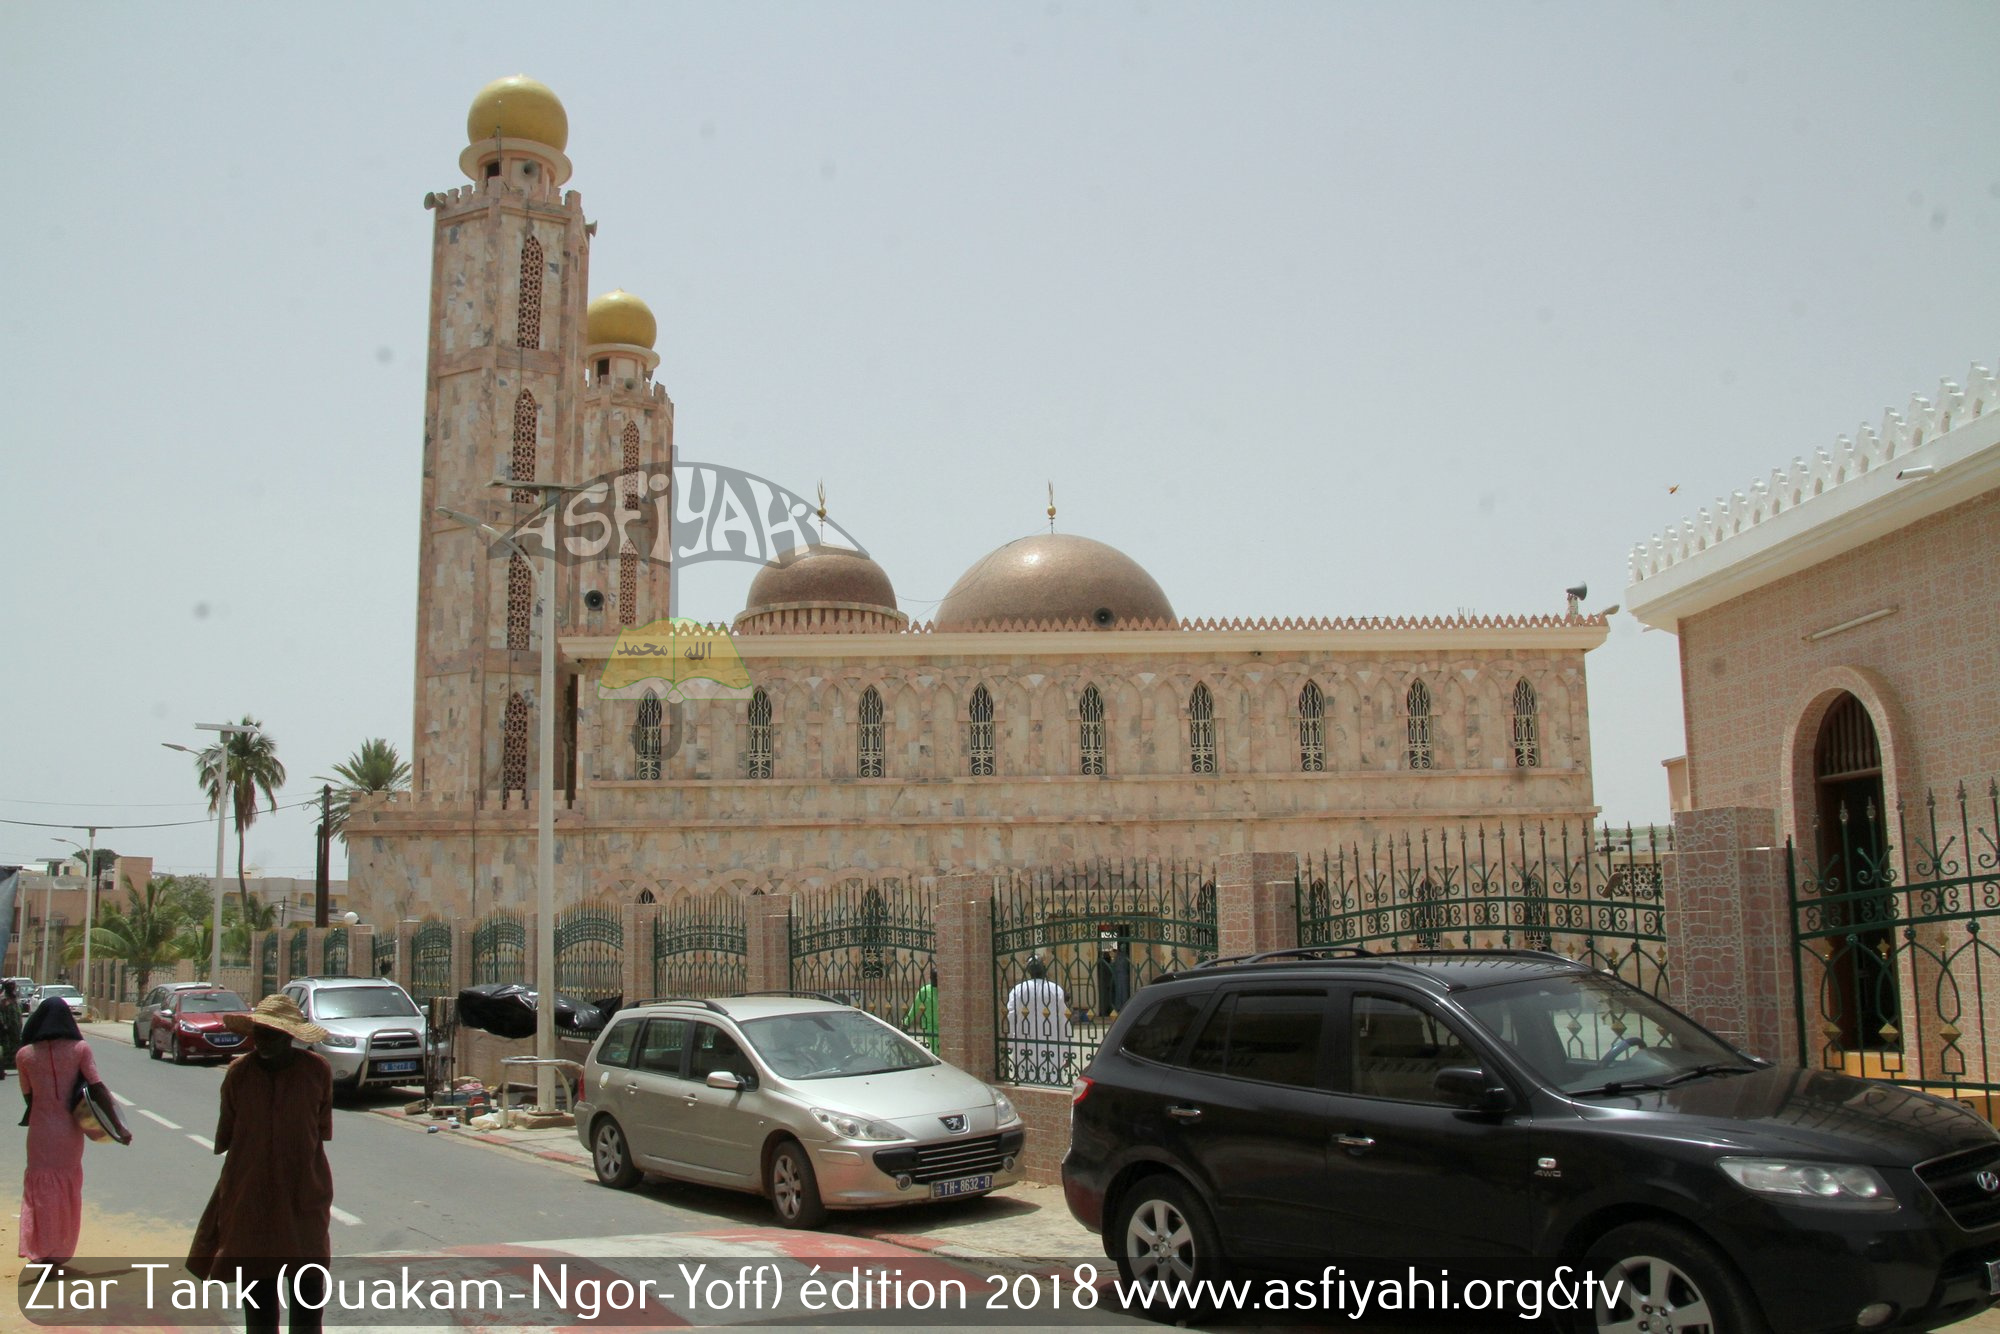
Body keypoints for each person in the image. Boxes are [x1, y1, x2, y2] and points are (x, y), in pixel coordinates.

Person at [187, 994, 336, 1334]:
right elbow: (227, 1133)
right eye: (261, 1034)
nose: (265, 1042)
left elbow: (321, 1129)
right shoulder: (239, 1073)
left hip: (304, 1195)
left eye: (274, 1034)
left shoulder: (317, 1071)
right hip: (250, 1196)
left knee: (308, 1293)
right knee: (258, 1299)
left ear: (291, 1036)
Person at [15, 995, 126, 1266]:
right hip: (69, 1133)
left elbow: (28, 1097)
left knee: (39, 1188)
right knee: (66, 1189)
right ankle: (58, 1250)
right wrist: (118, 1128)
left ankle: (38, 1248)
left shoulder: (24, 1055)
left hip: (40, 1132)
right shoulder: (80, 1049)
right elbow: (96, 1088)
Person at [1004, 956, 1072, 1084]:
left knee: (1025, 1079)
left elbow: (1011, 1017)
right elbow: (1064, 1020)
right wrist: (1067, 1051)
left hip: (1024, 1040)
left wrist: (1011, 1043)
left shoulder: (1018, 990)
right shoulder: (1055, 989)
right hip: (1050, 1041)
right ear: (1044, 969)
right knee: (1051, 1080)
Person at [903, 968, 939, 1052]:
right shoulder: (924, 991)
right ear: (930, 978)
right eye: (934, 978)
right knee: (936, 1048)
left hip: (943, 1025)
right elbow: (915, 1007)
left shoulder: (945, 990)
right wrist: (906, 1022)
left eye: (937, 978)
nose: (936, 980)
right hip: (929, 1025)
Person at [1, 979, 22, 1078]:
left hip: (16, 1027)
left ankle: (16, 1065)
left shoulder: (15, 998)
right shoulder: (3, 999)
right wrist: (3, 1024)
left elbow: (18, 1012)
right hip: (6, 1028)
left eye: (13, 985)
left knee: (17, 1046)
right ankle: (4, 1067)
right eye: (11, 985)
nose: (13, 987)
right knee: (6, 1047)